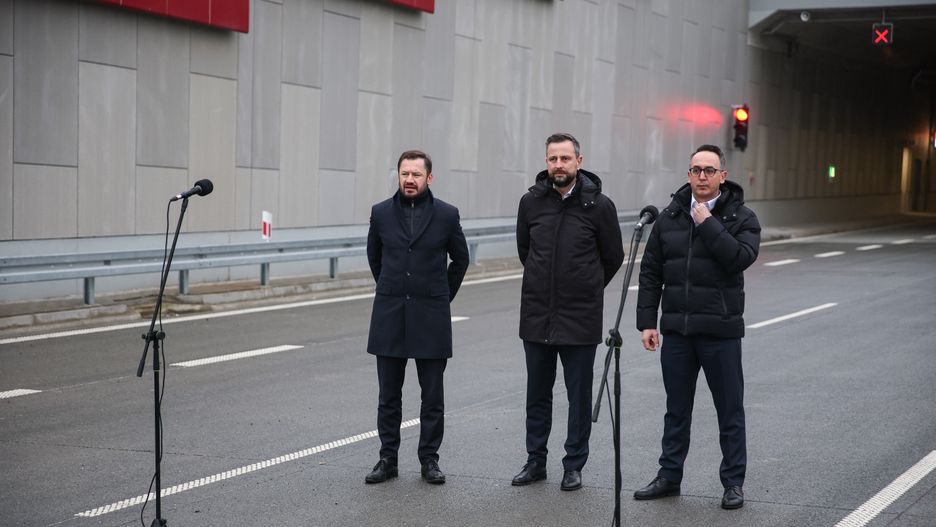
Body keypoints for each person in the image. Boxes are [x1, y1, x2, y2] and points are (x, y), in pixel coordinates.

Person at [633, 144, 760, 509]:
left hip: (720, 331)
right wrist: (647, 322)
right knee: (676, 410)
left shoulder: (741, 217)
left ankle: (733, 483)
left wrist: (708, 223)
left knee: (729, 411)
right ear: (688, 174)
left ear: (723, 176)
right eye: (696, 170)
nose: (702, 176)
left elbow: (739, 258)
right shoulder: (670, 216)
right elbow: (651, 272)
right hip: (678, 332)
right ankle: (669, 476)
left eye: (709, 170)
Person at [511, 133, 625, 491]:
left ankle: (574, 464)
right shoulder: (531, 202)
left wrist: (586, 288)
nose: (558, 165)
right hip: (537, 316)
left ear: (579, 161)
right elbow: (525, 251)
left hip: (580, 318)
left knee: (578, 397)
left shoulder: (599, 206)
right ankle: (535, 461)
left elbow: (613, 257)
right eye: (552, 159)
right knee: (537, 395)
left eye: (564, 158)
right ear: (546, 162)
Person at [363, 150, 469, 485]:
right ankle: (387, 459)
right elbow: (375, 257)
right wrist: (391, 288)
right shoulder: (381, 213)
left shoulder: (447, 215)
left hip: (431, 316)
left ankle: (429, 460)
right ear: (398, 175)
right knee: (388, 396)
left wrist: (441, 295)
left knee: (432, 397)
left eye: (416, 175)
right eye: (405, 173)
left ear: (429, 178)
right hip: (390, 314)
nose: (409, 180)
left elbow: (461, 260)